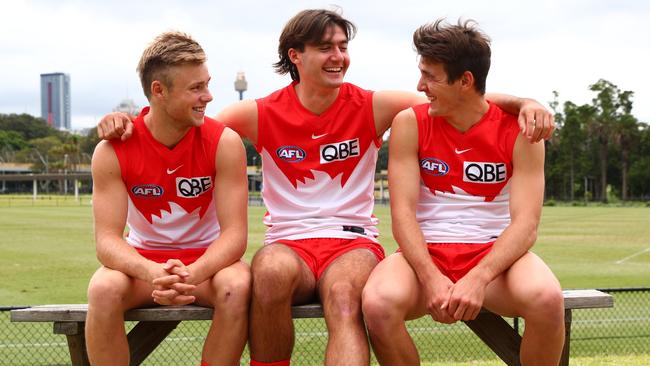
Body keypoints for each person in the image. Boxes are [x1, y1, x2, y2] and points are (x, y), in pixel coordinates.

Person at [96, 9, 554, 366]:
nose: (339, 56)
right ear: (296, 56)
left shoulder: (373, 106)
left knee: (343, 297)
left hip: (352, 243)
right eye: (325, 47)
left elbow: (458, 98)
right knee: (268, 274)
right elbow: (180, 118)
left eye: (342, 46)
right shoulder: (259, 114)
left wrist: (524, 101)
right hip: (288, 243)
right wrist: (126, 121)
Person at [361, 19, 564, 365]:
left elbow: (526, 224)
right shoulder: (410, 122)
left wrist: (478, 278)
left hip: (495, 256)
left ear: (465, 81)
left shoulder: (520, 130)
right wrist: (431, 277)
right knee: (378, 303)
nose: (420, 85)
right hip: (426, 255)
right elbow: (403, 215)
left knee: (547, 299)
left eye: (430, 76)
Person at [86, 31, 250, 366]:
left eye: (207, 84)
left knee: (237, 286)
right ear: (159, 91)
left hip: (207, 264)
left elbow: (235, 237)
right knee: (102, 290)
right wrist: (151, 272)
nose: (208, 96)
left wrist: (191, 273)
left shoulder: (224, 142)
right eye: (196, 88)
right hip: (143, 265)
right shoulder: (112, 150)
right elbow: (106, 242)